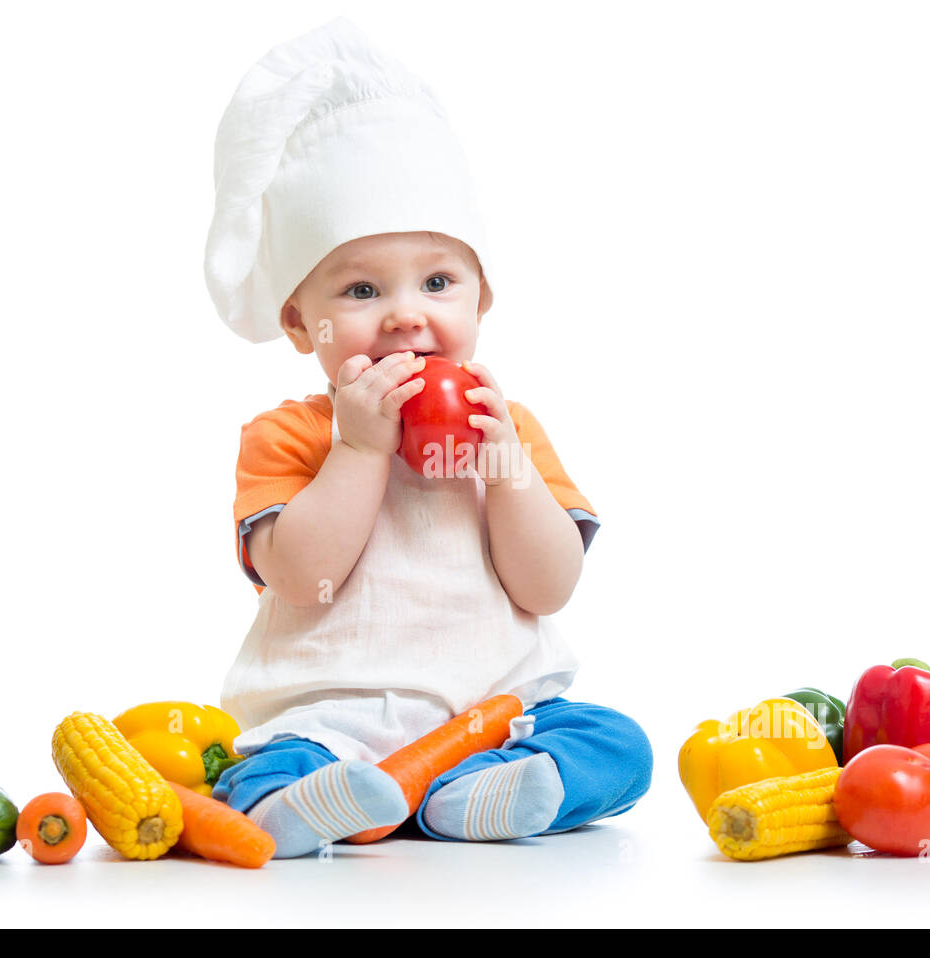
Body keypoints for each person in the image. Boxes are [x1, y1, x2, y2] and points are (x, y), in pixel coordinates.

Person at [203, 17, 652, 858]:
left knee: (617, 745)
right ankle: (313, 799)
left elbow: (548, 588)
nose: (408, 313)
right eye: (364, 288)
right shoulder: (289, 436)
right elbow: (302, 578)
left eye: (439, 281)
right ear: (302, 324)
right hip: (332, 714)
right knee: (260, 765)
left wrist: (508, 477)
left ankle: (466, 796)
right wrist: (360, 449)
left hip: (497, 711)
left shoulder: (506, 427)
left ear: (482, 301)